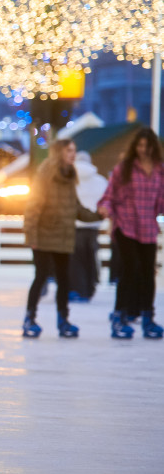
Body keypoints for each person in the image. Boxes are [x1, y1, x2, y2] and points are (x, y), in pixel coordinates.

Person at [21, 139, 102, 338]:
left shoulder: (70, 175)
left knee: (64, 280)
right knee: (41, 276)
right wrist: (31, 235)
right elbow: (33, 206)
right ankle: (30, 317)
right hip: (44, 235)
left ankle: (63, 319)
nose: (73, 154)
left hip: (64, 236)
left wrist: (98, 215)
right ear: (59, 153)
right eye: (69, 151)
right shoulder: (46, 174)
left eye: (74, 150)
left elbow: (76, 208)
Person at [98, 128, 164, 339]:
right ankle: (120, 316)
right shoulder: (124, 169)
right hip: (126, 225)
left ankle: (148, 318)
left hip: (148, 228)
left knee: (148, 273)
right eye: (140, 145)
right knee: (130, 269)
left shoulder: (159, 170)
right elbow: (109, 195)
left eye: (147, 146)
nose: (143, 150)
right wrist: (105, 208)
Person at [68, 152, 107, 303]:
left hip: (75, 225)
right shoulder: (100, 181)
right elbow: (106, 200)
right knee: (90, 258)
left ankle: (75, 289)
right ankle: (89, 289)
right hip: (93, 225)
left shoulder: (70, 179)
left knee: (75, 259)